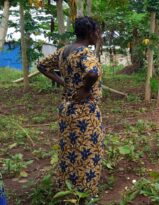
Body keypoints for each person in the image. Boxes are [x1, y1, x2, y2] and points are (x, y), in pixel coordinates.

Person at [37, 17, 104, 198]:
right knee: (88, 151)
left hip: (67, 108)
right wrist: (85, 89)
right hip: (85, 111)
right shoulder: (85, 53)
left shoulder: (64, 51)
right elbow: (93, 72)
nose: (98, 35)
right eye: (97, 31)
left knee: (70, 150)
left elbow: (41, 65)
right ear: (90, 33)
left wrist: (64, 83)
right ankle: (86, 192)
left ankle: (67, 186)